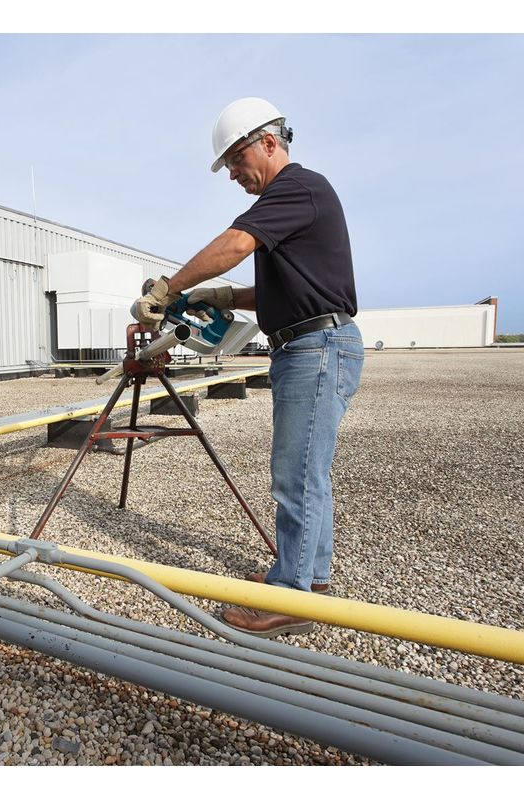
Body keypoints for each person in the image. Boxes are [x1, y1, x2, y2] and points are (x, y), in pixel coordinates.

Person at [131, 97, 363, 637]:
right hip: (311, 342)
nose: (234, 173)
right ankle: (311, 577)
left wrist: (172, 287)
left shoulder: (295, 187)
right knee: (308, 472)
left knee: (296, 475)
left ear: (269, 142)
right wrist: (225, 294)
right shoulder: (299, 199)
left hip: (315, 347)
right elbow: (286, 290)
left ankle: (293, 597)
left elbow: (236, 242)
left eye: (236, 160)